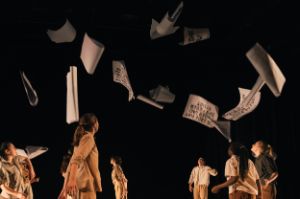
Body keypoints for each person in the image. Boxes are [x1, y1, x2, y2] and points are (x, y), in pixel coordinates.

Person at [58, 113, 102, 199]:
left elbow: (70, 165)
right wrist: (71, 180)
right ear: (94, 124)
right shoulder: (88, 138)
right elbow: (76, 160)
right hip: (86, 187)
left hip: (79, 187)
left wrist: (64, 189)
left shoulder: (80, 141)